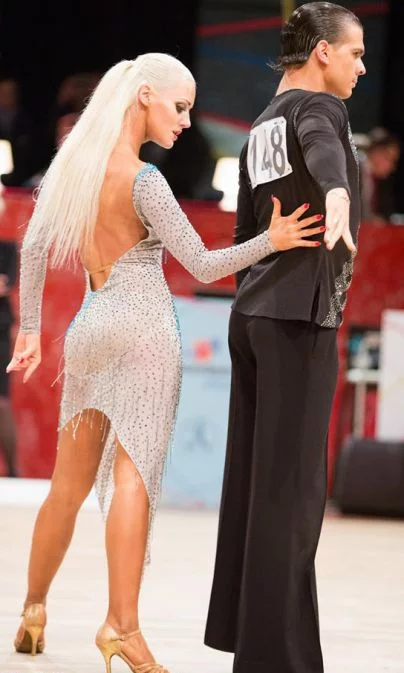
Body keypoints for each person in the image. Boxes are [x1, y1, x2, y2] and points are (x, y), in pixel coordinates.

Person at [6, 53, 323, 672]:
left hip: (90, 327)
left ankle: (33, 610)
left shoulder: (74, 166)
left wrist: (33, 328)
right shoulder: (145, 180)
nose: (184, 121)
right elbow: (203, 264)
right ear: (145, 96)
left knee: (66, 488)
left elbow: (35, 244)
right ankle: (121, 627)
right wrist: (272, 240)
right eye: (180, 106)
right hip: (145, 330)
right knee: (135, 479)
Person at [204, 4, 365, 673]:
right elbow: (326, 148)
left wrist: (255, 292)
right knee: (291, 496)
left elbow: (246, 234)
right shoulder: (320, 107)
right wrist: (338, 193)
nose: (361, 67)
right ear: (323, 51)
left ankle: (255, 643)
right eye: (355, 53)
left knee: (255, 487)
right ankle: (277, 660)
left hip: (252, 317)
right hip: (297, 319)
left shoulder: (262, 124)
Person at [0, 240, 18, 477]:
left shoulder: (7, 249)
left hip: (1, 333)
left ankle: (13, 471)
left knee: (1, 402)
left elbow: (6, 284)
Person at [358, 127, 401, 221]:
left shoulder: (380, 180)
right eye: (389, 159)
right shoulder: (353, 169)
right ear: (376, 152)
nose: (392, 166)